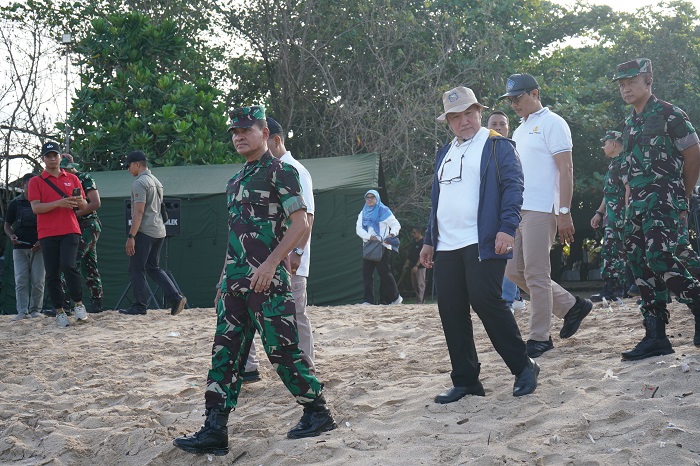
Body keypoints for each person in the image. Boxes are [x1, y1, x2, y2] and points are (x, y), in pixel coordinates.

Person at [173, 106, 336, 456]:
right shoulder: (235, 181)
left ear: (265, 133)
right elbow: (236, 235)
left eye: (246, 130)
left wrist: (272, 263)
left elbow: (301, 224)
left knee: (282, 350)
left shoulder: (283, 171)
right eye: (235, 132)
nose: (239, 136)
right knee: (225, 353)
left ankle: (317, 411)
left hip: (268, 281)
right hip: (235, 282)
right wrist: (223, 279)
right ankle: (215, 428)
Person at [420, 86, 539, 403]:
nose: (464, 121)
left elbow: (514, 188)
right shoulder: (444, 153)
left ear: (479, 112)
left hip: (483, 240)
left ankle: (523, 366)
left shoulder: (497, 145)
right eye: (455, 117)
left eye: (468, 113)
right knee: (450, 310)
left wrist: (506, 228)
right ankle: (466, 380)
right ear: (448, 121)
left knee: (486, 301)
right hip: (446, 245)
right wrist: (430, 239)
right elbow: (438, 200)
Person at [499, 73, 593, 358]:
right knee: (513, 269)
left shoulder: (554, 123)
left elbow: (566, 169)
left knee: (537, 273)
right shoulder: (519, 129)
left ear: (535, 93)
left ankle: (540, 337)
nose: (514, 104)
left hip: (543, 207)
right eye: (510, 100)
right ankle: (571, 306)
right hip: (519, 209)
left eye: (519, 97)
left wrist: (564, 211)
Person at [612, 58, 700, 359]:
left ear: (648, 81)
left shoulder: (670, 113)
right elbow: (629, 170)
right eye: (622, 84)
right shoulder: (629, 123)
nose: (626, 89)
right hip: (635, 204)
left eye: (631, 82)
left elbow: (693, 153)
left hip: (664, 198)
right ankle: (656, 335)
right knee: (641, 265)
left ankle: (697, 300)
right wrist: (625, 206)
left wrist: (683, 197)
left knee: (660, 256)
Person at [241, 116, 318, 382]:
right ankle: (248, 368)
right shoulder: (257, 170)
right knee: (248, 311)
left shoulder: (293, 169)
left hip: (287, 261)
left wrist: (296, 254)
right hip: (259, 259)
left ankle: (306, 368)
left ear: (274, 139)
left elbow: (306, 219)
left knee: (295, 316)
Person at [27, 141, 88, 327]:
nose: (52, 159)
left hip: (70, 229)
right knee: (52, 272)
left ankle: (78, 304)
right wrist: (58, 204)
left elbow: (84, 205)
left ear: (61, 157)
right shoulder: (36, 182)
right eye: (48, 156)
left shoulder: (73, 178)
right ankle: (60, 311)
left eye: (55, 155)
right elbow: (36, 208)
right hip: (47, 233)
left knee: (69, 265)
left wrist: (78, 201)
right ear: (43, 159)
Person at [121, 150, 186, 316]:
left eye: (129, 166)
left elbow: (139, 211)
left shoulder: (139, 183)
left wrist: (131, 236)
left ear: (136, 164)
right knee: (153, 267)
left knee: (136, 268)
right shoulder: (156, 181)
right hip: (159, 230)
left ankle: (140, 305)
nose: (128, 169)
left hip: (145, 231)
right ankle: (175, 297)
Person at [485, 110, 526, 313]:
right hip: (489, 213)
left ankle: (509, 300)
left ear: (508, 128)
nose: (498, 127)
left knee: (511, 258)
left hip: (513, 212)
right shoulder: (483, 151)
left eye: (502, 123)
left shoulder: (514, 148)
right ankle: (510, 297)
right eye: (494, 123)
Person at [59, 154, 104, 313]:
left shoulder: (84, 178)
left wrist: (73, 215)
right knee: (89, 265)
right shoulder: (62, 181)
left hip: (88, 224)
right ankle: (96, 303)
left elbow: (95, 203)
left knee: (71, 262)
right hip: (75, 227)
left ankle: (65, 304)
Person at [590, 131, 626, 302]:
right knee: (610, 252)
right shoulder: (614, 165)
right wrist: (599, 212)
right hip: (612, 217)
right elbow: (608, 193)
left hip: (622, 216)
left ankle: (623, 290)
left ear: (613, 144)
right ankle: (611, 290)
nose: (603, 147)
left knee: (622, 253)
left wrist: (627, 214)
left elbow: (629, 190)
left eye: (605, 144)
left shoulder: (626, 162)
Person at [4, 173, 45, 320]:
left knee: (38, 280)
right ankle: (22, 311)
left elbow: (49, 224)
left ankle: (36, 310)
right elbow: (7, 225)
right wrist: (11, 236)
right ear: (23, 185)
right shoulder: (15, 203)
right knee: (21, 280)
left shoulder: (43, 202)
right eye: (30, 185)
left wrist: (41, 241)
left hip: (39, 247)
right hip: (19, 248)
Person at [356, 190, 402, 305]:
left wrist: (391, 234)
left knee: (384, 273)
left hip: (383, 246)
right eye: (367, 197)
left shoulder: (384, 211)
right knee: (367, 274)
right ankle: (368, 300)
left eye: (372, 197)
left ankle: (395, 298)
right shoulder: (363, 212)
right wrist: (370, 237)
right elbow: (359, 229)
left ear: (377, 198)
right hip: (369, 246)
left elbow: (396, 225)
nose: (370, 199)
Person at [404, 227, 426, 304]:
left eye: (414, 232)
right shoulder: (414, 242)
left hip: (420, 266)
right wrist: (407, 261)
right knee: (414, 284)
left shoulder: (423, 242)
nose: (412, 234)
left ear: (419, 233)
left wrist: (417, 265)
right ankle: (418, 298)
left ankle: (421, 300)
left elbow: (422, 256)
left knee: (420, 283)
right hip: (412, 265)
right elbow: (410, 253)